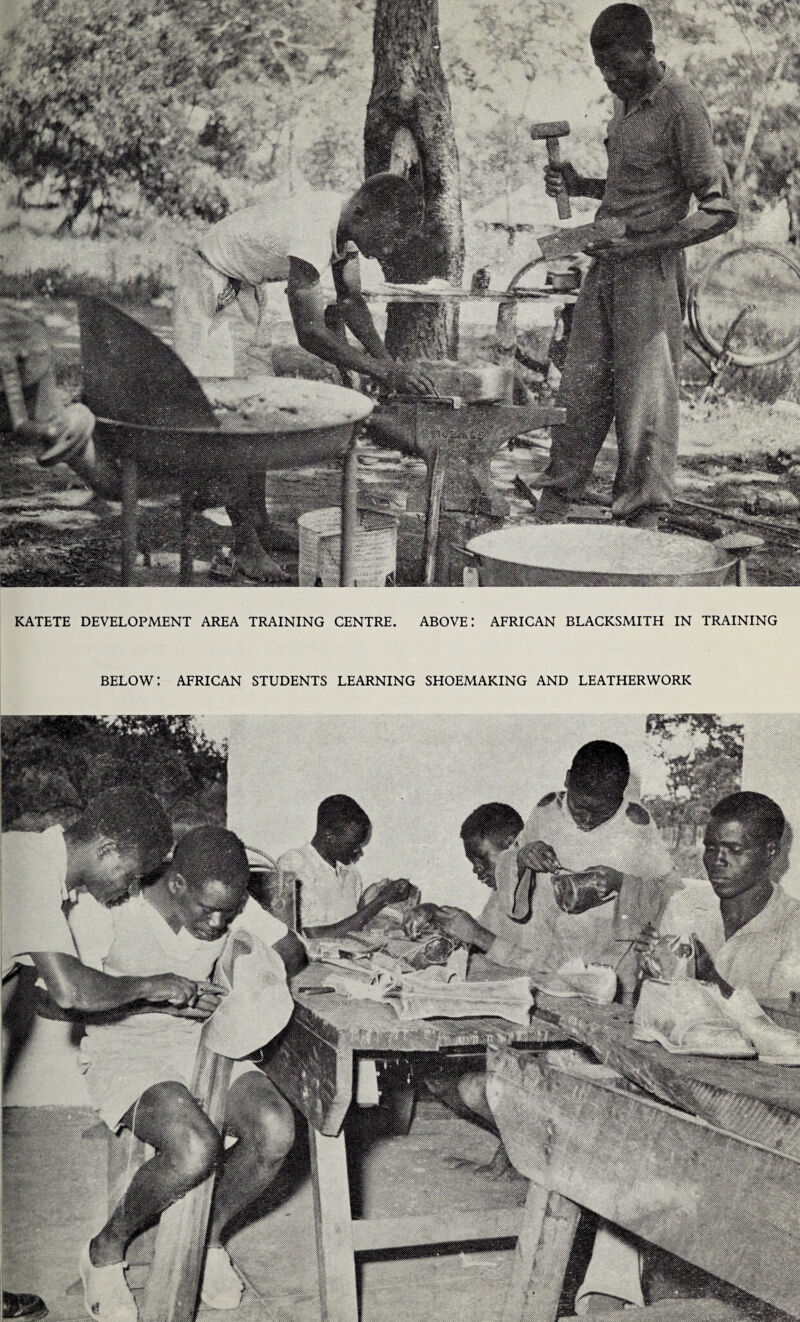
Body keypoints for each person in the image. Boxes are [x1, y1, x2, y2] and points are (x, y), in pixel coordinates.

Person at [433, 745, 679, 1312]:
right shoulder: (546, 810)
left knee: (598, 1111)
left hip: (604, 970)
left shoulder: (639, 828)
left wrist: (620, 881)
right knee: (552, 1100)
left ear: (624, 796)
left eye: (604, 807)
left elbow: (667, 893)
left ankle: (593, 1262)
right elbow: (511, 885)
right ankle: (565, 1222)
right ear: (566, 782)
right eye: (583, 804)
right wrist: (527, 857)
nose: (590, 817)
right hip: (549, 960)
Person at [73, 825, 306, 1322]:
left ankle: (209, 1237)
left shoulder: (227, 900)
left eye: (230, 910)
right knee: (195, 1147)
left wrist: (250, 963)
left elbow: (291, 947)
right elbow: (72, 995)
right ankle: (105, 1250)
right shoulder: (116, 905)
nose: (218, 922)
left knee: (276, 1128)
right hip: (126, 1045)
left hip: (201, 1041)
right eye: (208, 910)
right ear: (175, 883)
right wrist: (151, 991)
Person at [171, 174, 436, 581]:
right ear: (363, 212)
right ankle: (244, 545)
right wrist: (384, 371)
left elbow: (350, 301)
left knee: (257, 409)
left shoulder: (346, 226)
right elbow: (310, 333)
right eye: (392, 233)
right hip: (208, 283)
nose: (393, 246)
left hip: (245, 287)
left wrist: (386, 364)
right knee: (231, 417)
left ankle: (258, 523)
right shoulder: (317, 226)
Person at [535, 4, 738, 529]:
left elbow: (721, 210)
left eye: (620, 68)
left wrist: (648, 247)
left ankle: (642, 517)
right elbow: (632, 190)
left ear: (649, 51)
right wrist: (580, 186)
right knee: (579, 389)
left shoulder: (681, 107)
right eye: (603, 70)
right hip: (607, 265)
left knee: (646, 402)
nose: (611, 78)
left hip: (649, 271)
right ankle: (556, 502)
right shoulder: (623, 106)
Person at [1, 787, 194, 1322]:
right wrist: (153, 985)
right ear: (108, 849)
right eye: (132, 875)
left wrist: (154, 1007)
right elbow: (70, 991)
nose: (130, 888)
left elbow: (47, 996)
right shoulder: (26, 867)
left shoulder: (37, 867)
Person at [276, 794, 412, 939]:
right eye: (353, 845)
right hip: (313, 959)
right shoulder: (295, 864)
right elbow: (315, 935)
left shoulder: (349, 871)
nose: (358, 851)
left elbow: (351, 922)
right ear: (329, 835)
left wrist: (371, 898)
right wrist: (382, 900)